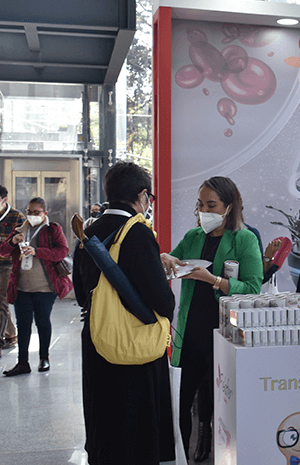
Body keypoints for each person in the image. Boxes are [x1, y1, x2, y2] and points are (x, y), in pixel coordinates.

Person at [73, 161, 176, 465]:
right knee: (134, 431)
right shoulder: (137, 232)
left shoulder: (88, 234)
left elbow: (80, 293)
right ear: (143, 195)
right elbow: (161, 300)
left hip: (97, 337)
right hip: (134, 343)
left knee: (103, 420)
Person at [160, 176, 262, 462]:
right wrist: (164, 258)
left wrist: (213, 280)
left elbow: (253, 288)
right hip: (189, 334)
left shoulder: (244, 239)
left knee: (224, 405)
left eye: (211, 205)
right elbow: (171, 265)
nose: (204, 211)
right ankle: (180, 456)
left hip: (223, 336)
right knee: (180, 403)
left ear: (229, 207)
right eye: (200, 204)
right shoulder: (193, 237)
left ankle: (222, 455)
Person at [0, 197, 73, 376]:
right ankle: (22, 362)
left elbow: (62, 251)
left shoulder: (52, 229)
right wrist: (12, 242)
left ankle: (44, 358)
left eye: (36, 212)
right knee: (23, 325)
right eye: (29, 211)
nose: (32, 215)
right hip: (22, 287)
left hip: (45, 287)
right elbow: (3, 251)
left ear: (44, 213)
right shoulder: (19, 229)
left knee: (42, 321)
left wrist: (37, 251)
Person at [0, 185, 25, 358]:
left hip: (8, 264)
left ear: (4, 200)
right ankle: (11, 334)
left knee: (1, 300)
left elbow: (22, 242)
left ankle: (1, 338)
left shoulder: (17, 217)